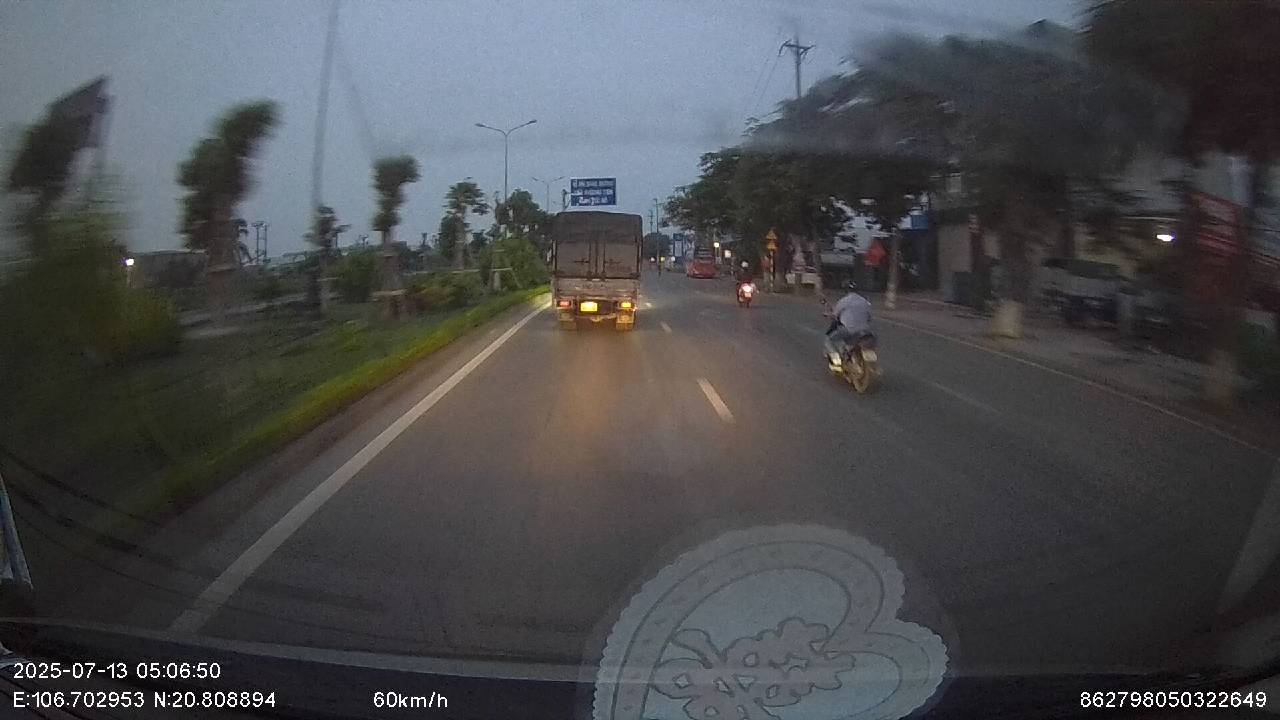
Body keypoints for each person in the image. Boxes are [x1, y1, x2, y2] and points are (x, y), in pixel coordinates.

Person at [823, 281, 873, 367]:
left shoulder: (844, 301)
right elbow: (869, 317)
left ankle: (836, 361)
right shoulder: (864, 301)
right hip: (866, 331)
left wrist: (827, 315)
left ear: (845, 290)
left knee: (829, 340)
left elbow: (835, 315)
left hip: (849, 330)